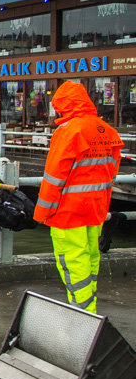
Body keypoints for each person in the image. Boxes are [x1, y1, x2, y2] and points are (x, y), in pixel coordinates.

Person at [33, 81, 122, 314]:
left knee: (73, 261)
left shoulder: (68, 131)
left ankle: (82, 313)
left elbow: (54, 177)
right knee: (91, 256)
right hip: (96, 208)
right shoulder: (107, 130)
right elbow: (112, 170)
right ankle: (88, 303)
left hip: (68, 212)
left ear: (63, 106)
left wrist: (42, 212)